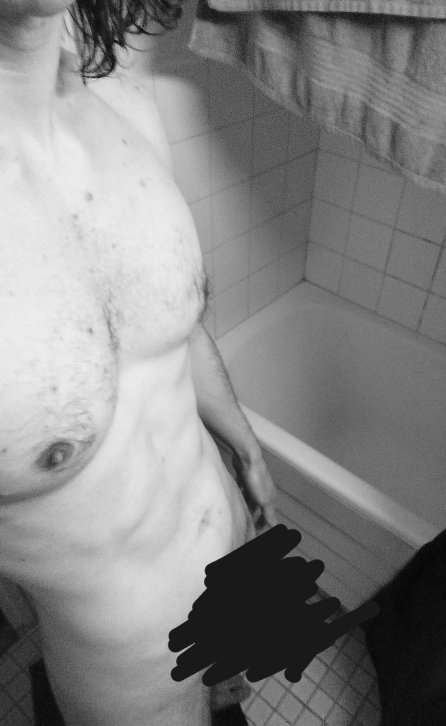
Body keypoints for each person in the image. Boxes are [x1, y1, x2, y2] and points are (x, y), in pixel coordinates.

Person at [0, 1, 276, 724]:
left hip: (229, 546)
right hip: (130, 676)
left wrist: (244, 445)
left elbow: (172, 331)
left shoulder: (122, 101)